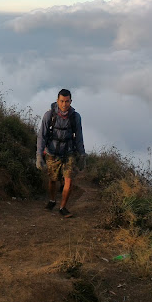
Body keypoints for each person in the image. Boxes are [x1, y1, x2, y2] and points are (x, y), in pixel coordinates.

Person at [36, 88, 86, 218]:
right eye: (62, 101)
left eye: (67, 101)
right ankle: (52, 200)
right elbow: (42, 136)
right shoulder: (49, 115)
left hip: (68, 152)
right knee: (52, 180)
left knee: (68, 180)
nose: (64, 104)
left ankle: (62, 207)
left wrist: (82, 154)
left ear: (71, 101)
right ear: (57, 101)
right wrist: (39, 155)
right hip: (52, 152)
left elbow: (79, 136)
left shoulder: (75, 117)